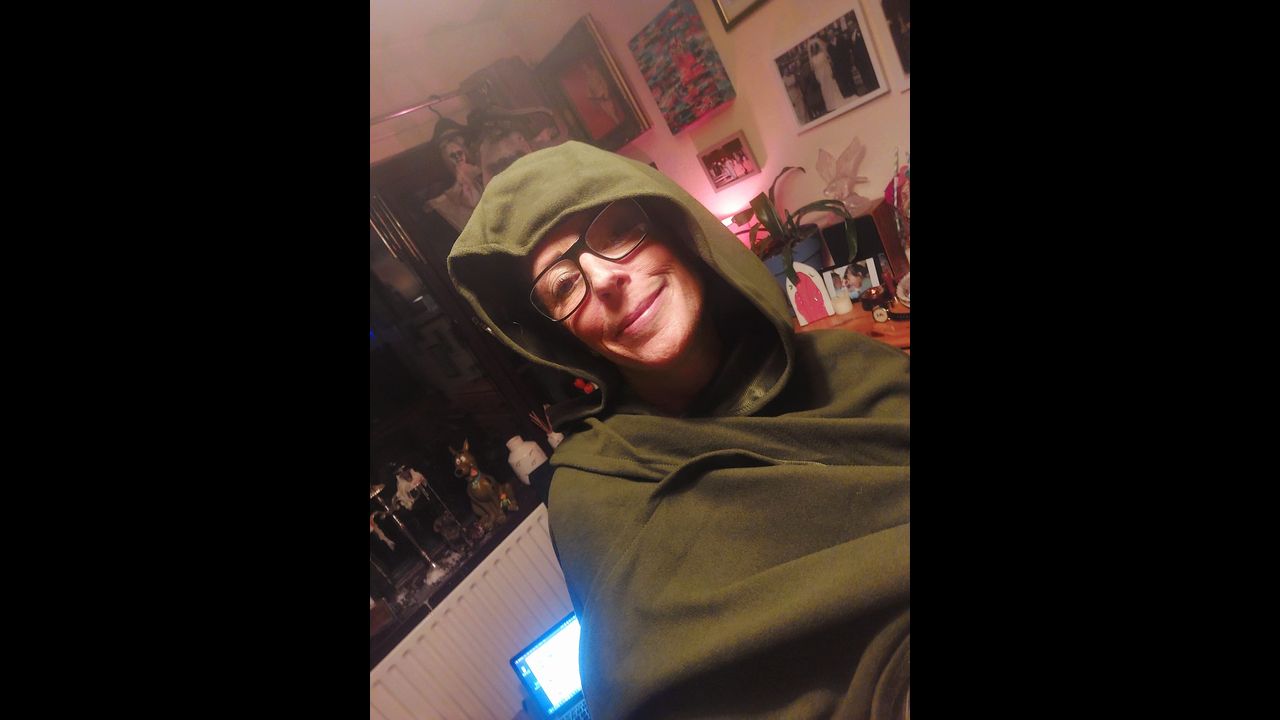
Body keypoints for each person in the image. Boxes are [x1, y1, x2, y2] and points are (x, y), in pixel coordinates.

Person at [447, 142, 909, 720]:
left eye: (617, 231)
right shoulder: (597, 493)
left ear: (676, 228)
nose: (604, 279)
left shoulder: (855, 365)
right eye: (563, 286)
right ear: (566, 340)